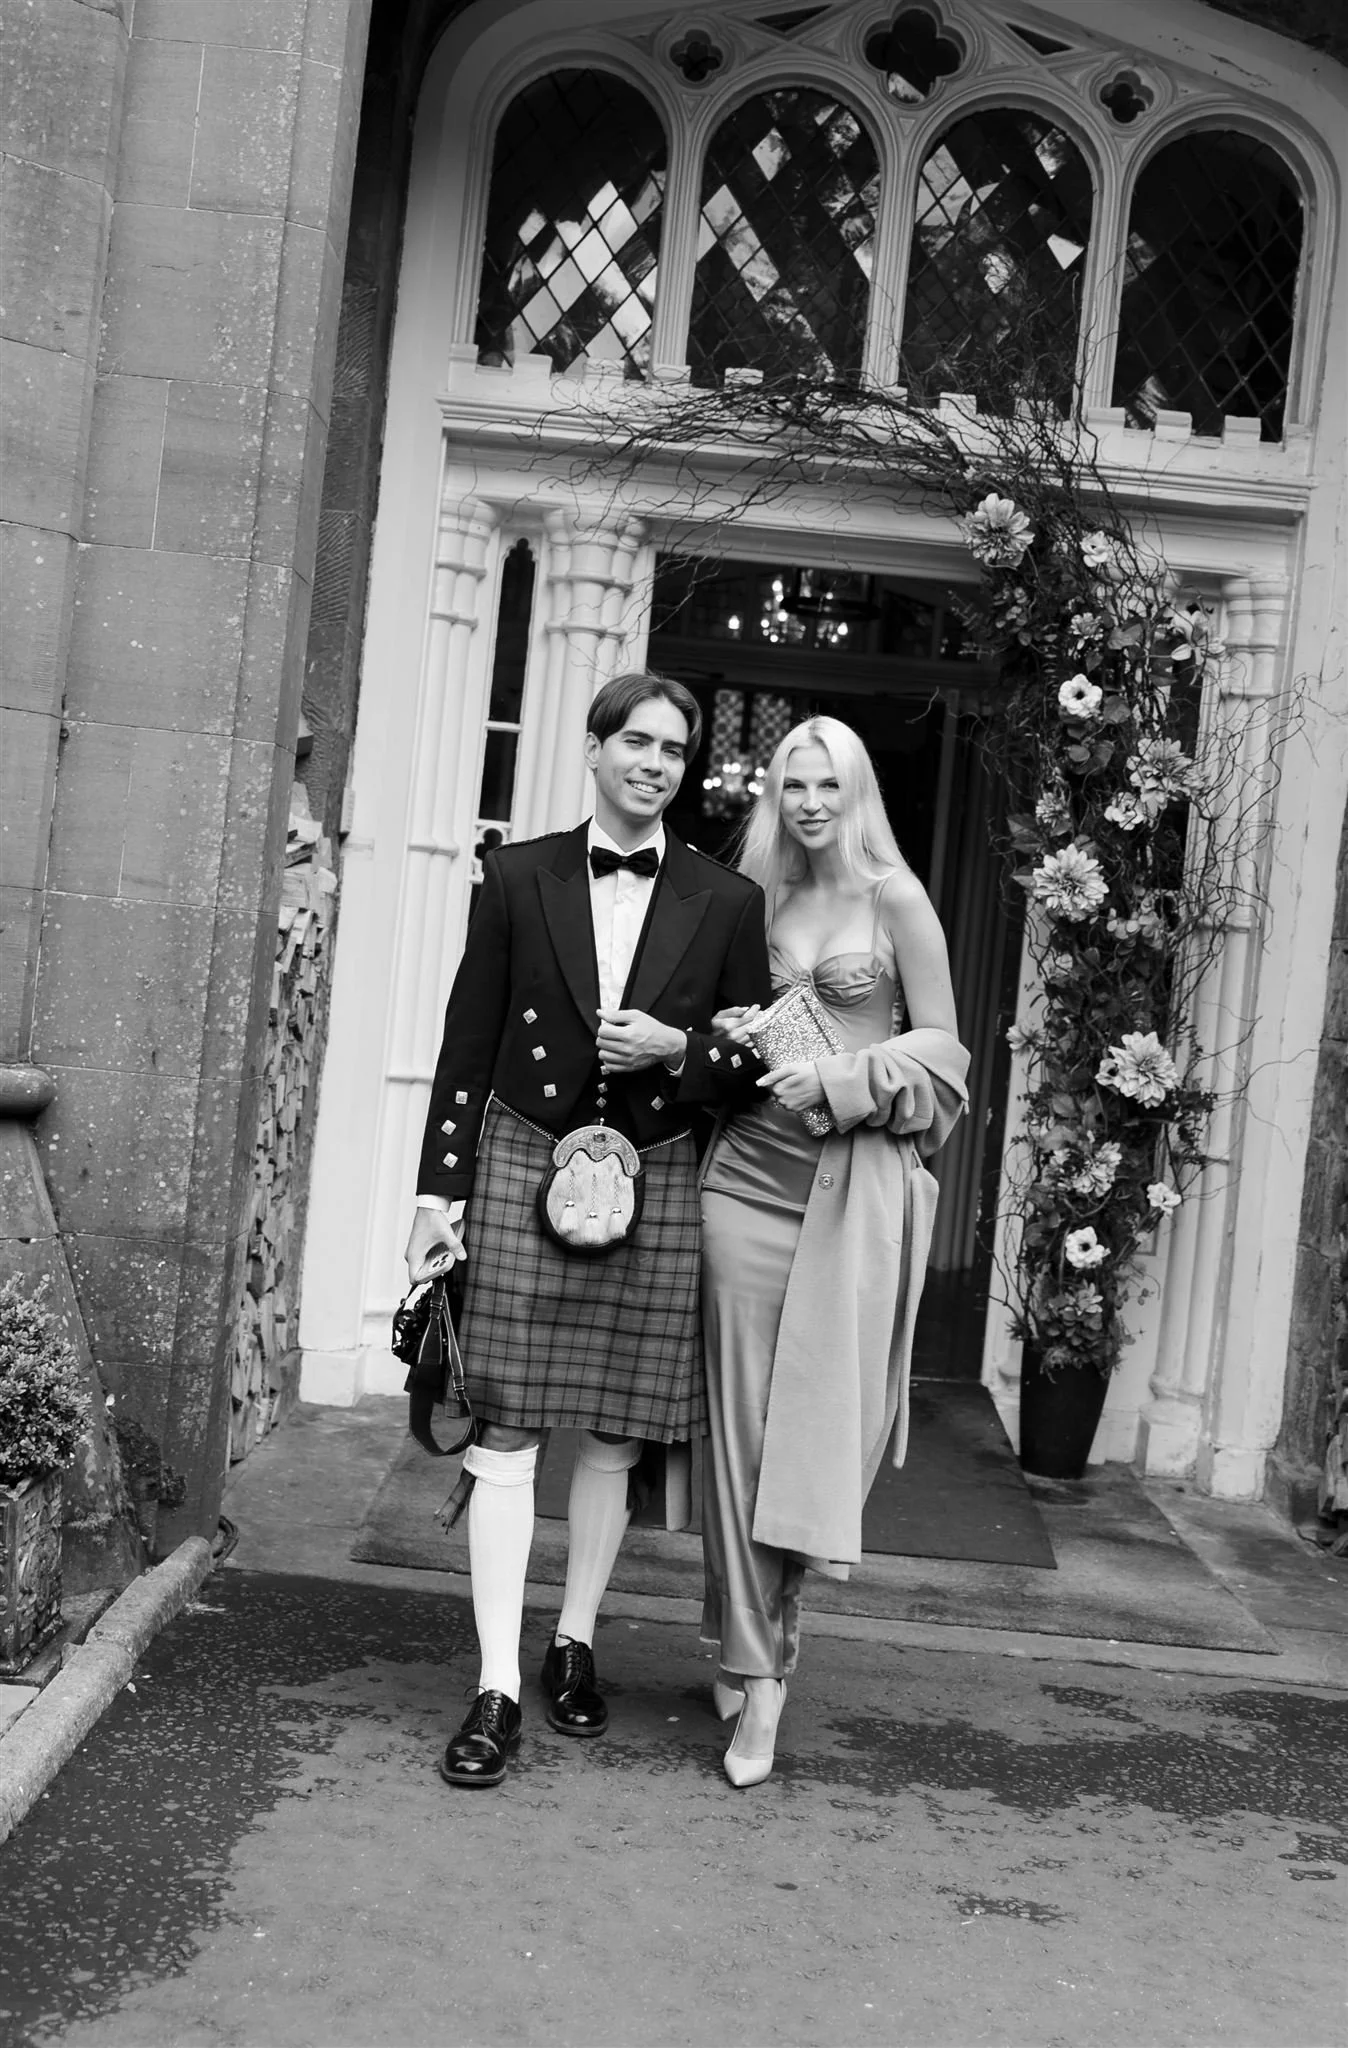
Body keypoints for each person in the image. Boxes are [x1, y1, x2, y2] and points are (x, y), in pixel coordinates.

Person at [405, 671, 771, 1789]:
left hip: (656, 1172)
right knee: (506, 1430)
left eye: (674, 749)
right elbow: (468, 1043)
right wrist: (435, 1199)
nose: (654, 764)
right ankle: (495, 1684)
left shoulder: (726, 899)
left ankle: (573, 1640)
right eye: (637, 742)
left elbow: (752, 1058)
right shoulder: (519, 874)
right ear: (596, 748)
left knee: (613, 1434)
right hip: (525, 1157)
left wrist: (678, 1047)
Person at [699, 715, 970, 1787]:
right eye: (793, 784)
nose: (810, 802)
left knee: (804, 1438)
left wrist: (844, 1078)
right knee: (737, 1430)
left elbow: (945, 1057)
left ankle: (761, 1637)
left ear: (857, 794)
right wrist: (734, 1033)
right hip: (743, 1182)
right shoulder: (752, 896)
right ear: (774, 794)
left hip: (848, 1191)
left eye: (829, 785)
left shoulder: (895, 898)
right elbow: (717, 1032)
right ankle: (756, 1666)